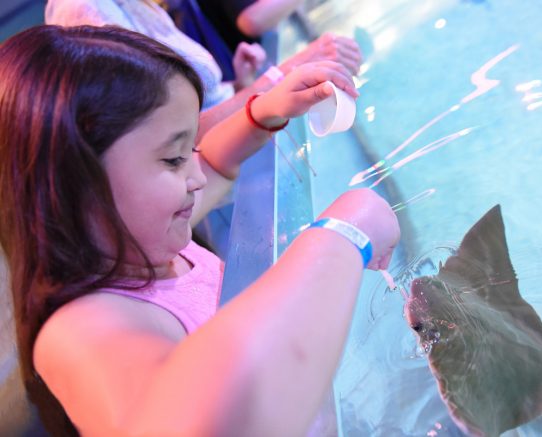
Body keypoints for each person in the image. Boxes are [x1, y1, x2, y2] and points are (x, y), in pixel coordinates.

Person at [0, 25, 399, 436]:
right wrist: (346, 232)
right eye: (173, 158)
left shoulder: (139, 243)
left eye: (188, 148)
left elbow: (213, 163)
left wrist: (264, 112)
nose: (195, 176)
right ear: (75, 188)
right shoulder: (79, 331)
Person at [45, 0, 364, 256]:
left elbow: (183, 120)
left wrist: (245, 84)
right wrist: (277, 79)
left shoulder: (140, 5)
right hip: (215, 197)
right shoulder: (83, 13)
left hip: (235, 158)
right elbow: (170, 139)